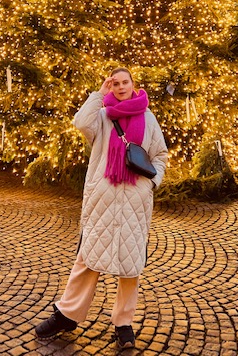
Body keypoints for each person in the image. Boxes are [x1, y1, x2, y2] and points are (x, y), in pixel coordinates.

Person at [35, 67, 168, 350]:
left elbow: (160, 155)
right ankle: (68, 314)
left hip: (135, 199)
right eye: (115, 83)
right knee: (87, 259)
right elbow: (80, 123)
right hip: (102, 198)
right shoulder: (104, 116)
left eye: (125, 82)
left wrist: (152, 183)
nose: (120, 87)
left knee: (131, 267)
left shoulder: (148, 118)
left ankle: (123, 323)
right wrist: (99, 93)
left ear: (134, 84)